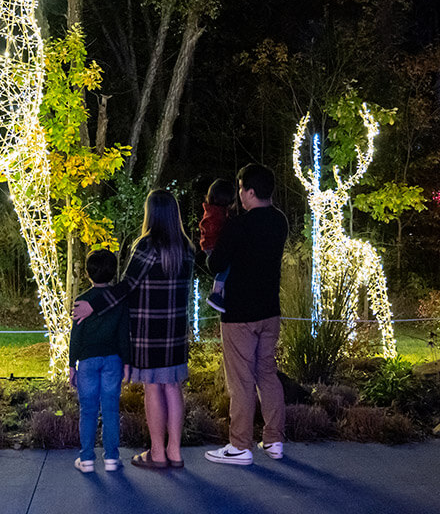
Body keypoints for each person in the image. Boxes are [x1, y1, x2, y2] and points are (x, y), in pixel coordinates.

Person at [73, 189, 194, 470]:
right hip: (175, 332)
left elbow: (128, 285)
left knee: (154, 387)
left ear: (151, 213)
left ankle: (157, 453)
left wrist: (95, 305)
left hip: (149, 331)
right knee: (173, 387)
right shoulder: (186, 248)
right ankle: (175, 452)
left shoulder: (148, 246)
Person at [204, 163, 289, 465]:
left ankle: (240, 445)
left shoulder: (238, 226)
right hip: (269, 310)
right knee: (267, 374)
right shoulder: (280, 222)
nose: (239, 194)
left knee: (240, 381)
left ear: (251, 191)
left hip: (239, 313)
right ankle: (274, 439)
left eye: (241, 188)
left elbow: (215, 265)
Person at [68, 248, 130, 473]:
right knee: (111, 409)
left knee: (88, 409)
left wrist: (71, 364)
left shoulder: (82, 300)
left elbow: (76, 335)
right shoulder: (118, 300)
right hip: (113, 359)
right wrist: (127, 361)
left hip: (87, 361)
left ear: (87, 273)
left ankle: (86, 459)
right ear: (114, 272)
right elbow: (124, 332)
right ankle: (112, 458)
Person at [199, 178, 236, 313]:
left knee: (225, 267)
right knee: (225, 267)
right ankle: (216, 292)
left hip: (210, 244)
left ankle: (220, 293)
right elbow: (213, 228)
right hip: (213, 245)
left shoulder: (212, 210)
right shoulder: (216, 214)